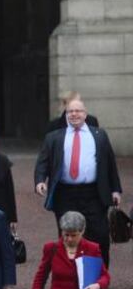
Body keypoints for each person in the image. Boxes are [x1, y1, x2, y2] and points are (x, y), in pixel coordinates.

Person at [35, 97, 122, 266]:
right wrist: (40, 180)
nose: (74, 114)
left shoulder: (99, 135)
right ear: (66, 114)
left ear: (85, 114)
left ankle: (98, 277)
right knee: (68, 235)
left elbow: (110, 163)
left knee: (100, 235)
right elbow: (42, 162)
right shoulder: (54, 137)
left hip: (94, 193)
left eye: (78, 111)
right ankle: (71, 275)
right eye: (70, 111)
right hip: (65, 194)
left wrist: (115, 189)